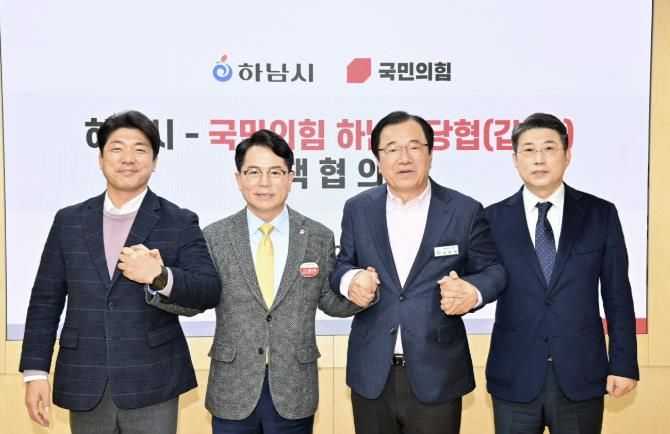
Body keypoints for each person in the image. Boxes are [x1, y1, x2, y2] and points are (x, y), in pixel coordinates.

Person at [150, 129, 372, 434]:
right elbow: (196, 300)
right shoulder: (215, 236)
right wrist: (160, 279)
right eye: (253, 172)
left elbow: (330, 301)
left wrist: (365, 291)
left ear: (291, 178)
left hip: (294, 388)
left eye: (275, 172)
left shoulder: (318, 237)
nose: (264, 182)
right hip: (233, 388)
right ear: (239, 178)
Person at [19, 110, 221, 433]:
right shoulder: (69, 221)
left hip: (153, 380)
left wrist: (159, 276)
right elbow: (45, 299)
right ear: (101, 159)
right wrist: (35, 372)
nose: (128, 158)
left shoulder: (179, 220)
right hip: (85, 377)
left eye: (140, 149)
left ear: (154, 162)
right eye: (117, 148)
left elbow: (208, 290)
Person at [329, 110, 506, 434]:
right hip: (372, 374)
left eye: (414, 147)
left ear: (430, 153)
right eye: (392, 149)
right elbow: (341, 264)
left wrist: (473, 291)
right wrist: (350, 280)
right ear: (378, 159)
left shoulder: (464, 210)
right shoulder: (358, 208)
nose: (404, 158)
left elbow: (493, 270)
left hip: (438, 373)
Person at [484, 112, 639, 434]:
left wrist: (623, 363)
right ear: (515, 159)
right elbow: (478, 285)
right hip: (514, 373)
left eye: (549, 148)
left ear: (567, 156)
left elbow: (617, 295)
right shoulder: (491, 219)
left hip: (582, 373)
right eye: (528, 150)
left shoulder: (600, 214)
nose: (539, 158)